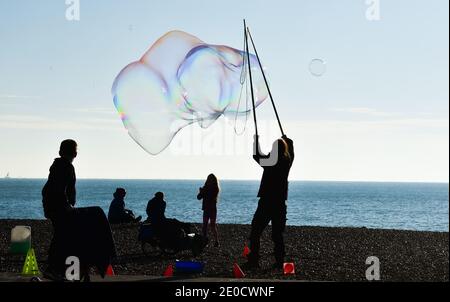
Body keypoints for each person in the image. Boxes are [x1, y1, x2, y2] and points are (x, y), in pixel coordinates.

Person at [42, 139, 116, 281]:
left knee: (63, 236)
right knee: (94, 216)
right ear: (74, 153)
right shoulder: (65, 166)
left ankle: (62, 269)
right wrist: (67, 206)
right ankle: (56, 269)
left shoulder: (58, 165)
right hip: (60, 208)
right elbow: (58, 189)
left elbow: (49, 189)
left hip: (55, 207)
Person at [245, 134, 294, 270]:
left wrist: (256, 142)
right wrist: (289, 141)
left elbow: (256, 156)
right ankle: (279, 262)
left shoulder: (270, 162)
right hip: (279, 204)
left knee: (255, 231)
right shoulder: (286, 162)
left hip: (266, 202)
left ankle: (254, 260)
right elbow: (292, 153)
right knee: (277, 235)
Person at [197, 174, 220, 247]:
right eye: (209, 179)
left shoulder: (215, 189)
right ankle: (204, 241)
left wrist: (203, 191)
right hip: (206, 209)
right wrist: (201, 192)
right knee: (204, 226)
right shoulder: (205, 188)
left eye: (211, 179)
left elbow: (211, 197)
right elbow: (198, 197)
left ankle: (216, 241)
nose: (209, 181)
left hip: (212, 209)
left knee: (212, 225)